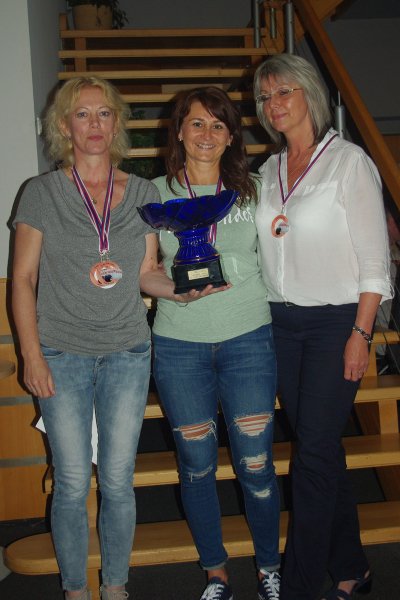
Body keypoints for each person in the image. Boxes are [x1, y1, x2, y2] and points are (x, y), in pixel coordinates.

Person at [11, 75, 173, 600]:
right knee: (73, 480)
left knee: (119, 480)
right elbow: (22, 279)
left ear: (117, 122)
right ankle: (76, 589)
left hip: (128, 352)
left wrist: (180, 290)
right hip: (61, 353)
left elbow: (146, 273)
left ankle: (116, 586)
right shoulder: (41, 193)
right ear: (64, 127)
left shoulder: (143, 193)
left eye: (104, 113)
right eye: (82, 114)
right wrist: (31, 356)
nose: (94, 123)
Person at [253, 54, 393, 600]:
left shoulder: (348, 163)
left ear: (308, 92)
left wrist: (362, 333)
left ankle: (300, 585)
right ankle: (352, 568)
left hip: (336, 323)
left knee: (311, 453)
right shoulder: (268, 171)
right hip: (279, 324)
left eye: (283, 91)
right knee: (321, 448)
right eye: (265, 96)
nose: (273, 104)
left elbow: (375, 261)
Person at [141, 86, 281, 600]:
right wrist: (175, 292)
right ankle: (215, 572)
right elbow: (146, 272)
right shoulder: (153, 192)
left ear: (230, 137)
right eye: (196, 123)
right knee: (197, 466)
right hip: (180, 345)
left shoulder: (256, 190)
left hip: (248, 338)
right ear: (178, 130)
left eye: (218, 125)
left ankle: (269, 567)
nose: (207, 133)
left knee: (255, 463)